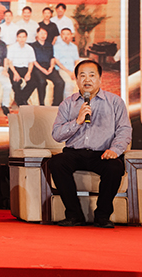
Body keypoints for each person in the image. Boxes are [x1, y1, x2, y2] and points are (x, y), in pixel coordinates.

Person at [50, 60, 131, 228]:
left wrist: (115, 150)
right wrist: (77, 121)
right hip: (75, 153)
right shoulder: (68, 104)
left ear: (100, 79)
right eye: (82, 75)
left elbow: (124, 130)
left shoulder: (115, 102)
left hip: (102, 153)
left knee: (114, 167)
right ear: (77, 80)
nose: (87, 79)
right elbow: (57, 135)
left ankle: (102, 216)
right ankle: (74, 215)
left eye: (92, 75)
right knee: (57, 163)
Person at [30, 26, 65, 106]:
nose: (43, 35)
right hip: (38, 68)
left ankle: (56, 104)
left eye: (45, 33)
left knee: (60, 82)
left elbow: (52, 58)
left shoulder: (49, 45)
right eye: (41, 33)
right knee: (42, 82)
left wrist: (51, 67)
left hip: (49, 67)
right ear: (37, 34)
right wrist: (42, 70)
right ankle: (42, 104)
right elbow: (33, 60)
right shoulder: (33, 46)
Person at [7, 29, 38, 106]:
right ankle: (22, 102)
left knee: (34, 82)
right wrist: (15, 73)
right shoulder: (12, 48)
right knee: (16, 83)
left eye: (23, 37)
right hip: (14, 68)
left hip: (25, 69)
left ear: (26, 38)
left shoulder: (29, 48)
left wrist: (29, 73)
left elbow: (31, 62)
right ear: (17, 38)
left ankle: (20, 99)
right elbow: (9, 62)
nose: (21, 39)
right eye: (20, 37)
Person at [53, 28, 81, 98]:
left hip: (73, 69)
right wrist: (69, 72)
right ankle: (68, 103)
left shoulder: (74, 47)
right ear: (60, 36)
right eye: (63, 34)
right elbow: (57, 62)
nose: (66, 36)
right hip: (62, 69)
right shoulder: (56, 47)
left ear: (71, 35)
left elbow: (76, 60)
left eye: (68, 34)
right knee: (69, 84)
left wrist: (75, 71)